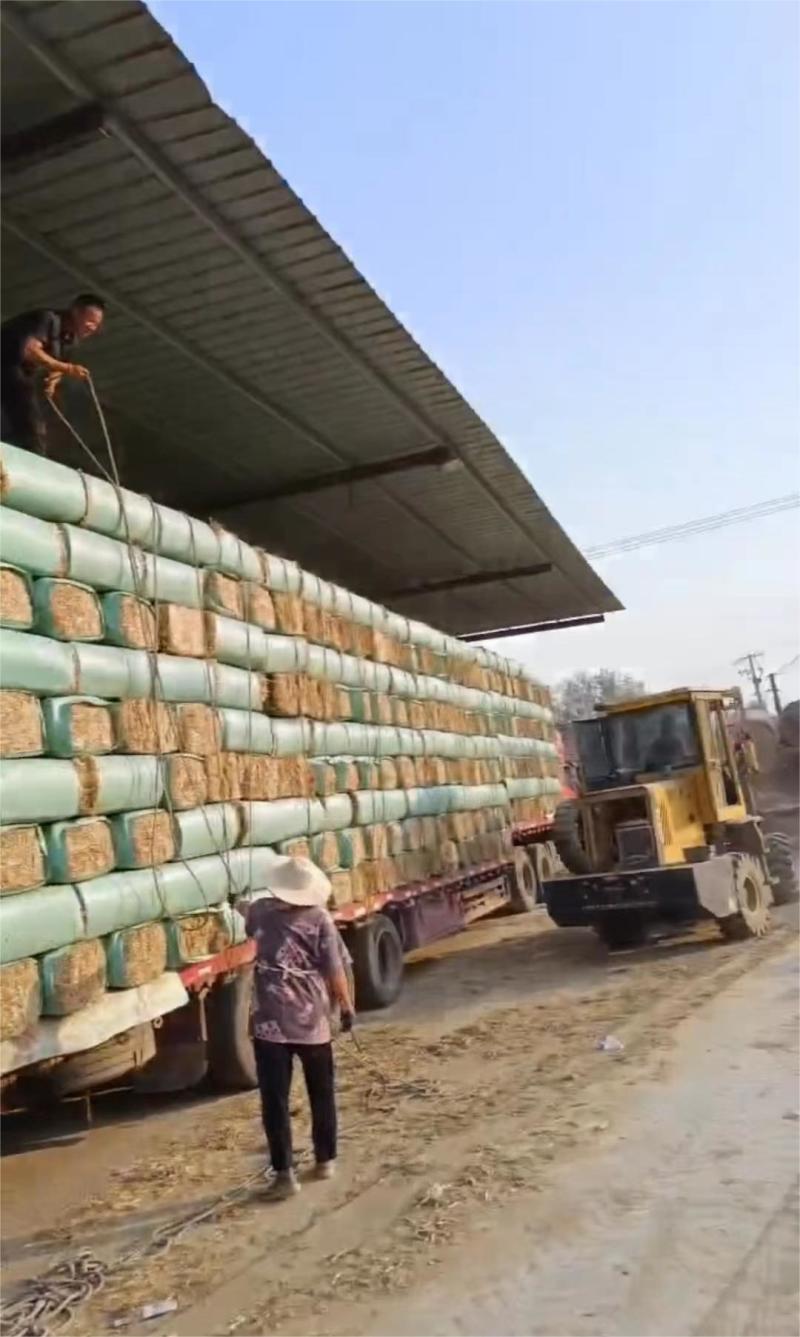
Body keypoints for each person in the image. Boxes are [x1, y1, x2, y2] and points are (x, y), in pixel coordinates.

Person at [243, 856, 355, 1201]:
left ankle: (284, 1174)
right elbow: (335, 969)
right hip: (313, 1020)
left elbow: (246, 917)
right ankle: (325, 1160)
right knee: (321, 1093)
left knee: (274, 1100)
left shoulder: (261, 912)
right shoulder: (320, 918)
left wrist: (237, 902)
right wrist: (347, 1006)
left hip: (270, 1023)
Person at [1, 294, 105, 454]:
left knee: (24, 418)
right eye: (90, 321)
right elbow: (30, 350)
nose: (92, 328)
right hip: (6, 363)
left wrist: (53, 380)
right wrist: (67, 368)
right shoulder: (47, 319)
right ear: (76, 312)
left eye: (96, 325)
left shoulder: (70, 340)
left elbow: (56, 366)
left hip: (16, 374)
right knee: (28, 422)